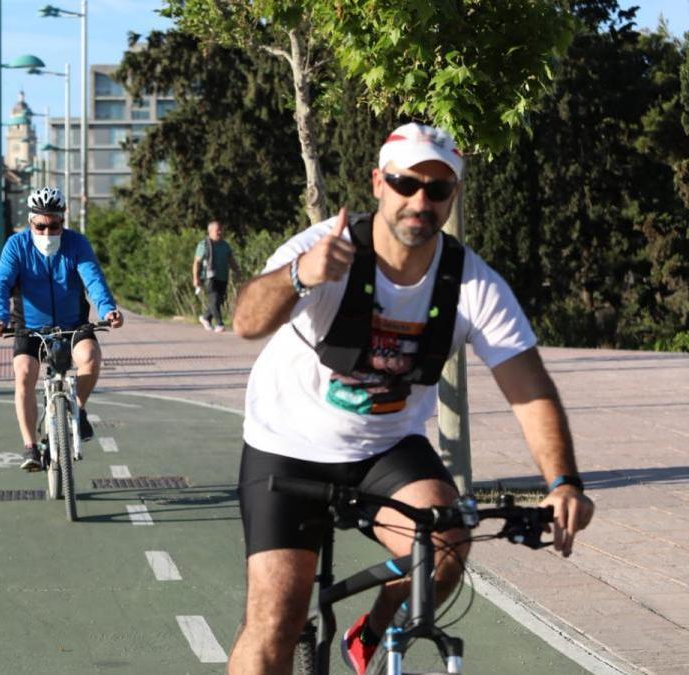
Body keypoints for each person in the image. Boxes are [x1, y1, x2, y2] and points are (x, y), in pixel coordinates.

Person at [227, 122, 594, 674]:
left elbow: (529, 387)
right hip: (287, 445)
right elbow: (246, 321)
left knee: (444, 545)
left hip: (386, 448)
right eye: (405, 183)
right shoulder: (326, 248)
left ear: (454, 195)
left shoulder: (471, 283)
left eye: (438, 189)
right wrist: (301, 275)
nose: (419, 200)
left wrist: (562, 482)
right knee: (275, 619)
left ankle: (371, 631)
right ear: (378, 182)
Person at [0, 187, 124, 471]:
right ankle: (30, 447)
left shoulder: (76, 244)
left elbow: (94, 279)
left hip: (73, 322)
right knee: (24, 373)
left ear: (63, 222)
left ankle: (77, 408)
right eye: (41, 226)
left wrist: (107, 308)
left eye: (54, 226)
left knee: (90, 357)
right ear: (30, 222)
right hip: (30, 325)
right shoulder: (16, 245)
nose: (48, 233)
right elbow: (1, 284)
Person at [193, 220, 241, 332]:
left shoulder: (225, 245)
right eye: (217, 230)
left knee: (219, 300)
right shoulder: (204, 245)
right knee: (214, 298)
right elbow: (197, 262)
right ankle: (219, 324)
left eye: (220, 230)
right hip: (209, 277)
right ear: (210, 231)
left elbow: (231, 260)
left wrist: (237, 270)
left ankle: (205, 317)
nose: (219, 232)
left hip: (223, 277)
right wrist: (196, 278)